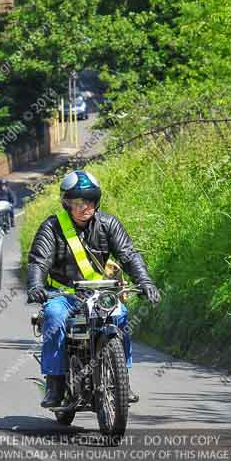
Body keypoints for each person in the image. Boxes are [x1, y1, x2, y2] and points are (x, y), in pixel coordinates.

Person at [26, 170, 161, 408]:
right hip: (64, 294)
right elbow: (39, 260)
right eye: (78, 201)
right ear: (67, 203)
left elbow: (128, 255)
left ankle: (122, 382)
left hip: (99, 293)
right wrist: (36, 285)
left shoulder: (108, 224)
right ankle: (55, 382)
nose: (85, 206)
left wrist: (145, 282)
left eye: (89, 200)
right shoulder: (52, 227)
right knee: (55, 316)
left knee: (120, 315)